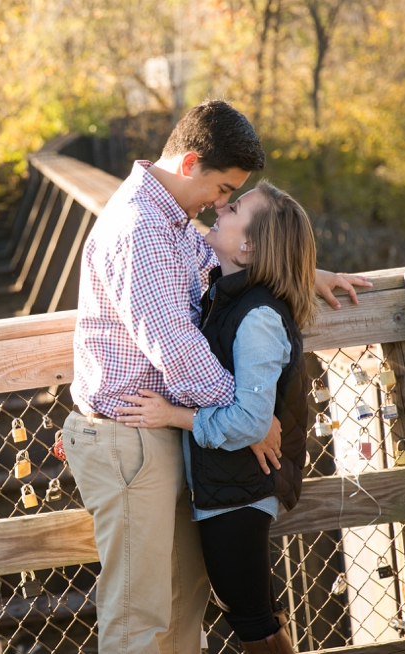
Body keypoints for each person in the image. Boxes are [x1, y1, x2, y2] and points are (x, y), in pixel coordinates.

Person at [61, 99, 369, 654]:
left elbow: (219, 262)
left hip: (163, 435)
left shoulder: (171, 219)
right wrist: (249, 419)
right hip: (127, 437)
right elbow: (175, 348)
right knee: (140, 622)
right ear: (189, 163)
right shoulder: (141, 229)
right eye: (224, 190)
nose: (219, 204)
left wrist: (299, 267)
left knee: (180, 614)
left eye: (229, 199)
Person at [115, 180, 317, 654]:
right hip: (228, 488)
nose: (222, 206)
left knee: (252, 622)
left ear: (247, 245)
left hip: (238, 495)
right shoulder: (226, 297)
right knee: (255, 613)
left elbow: (250, 421)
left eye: (236, 207)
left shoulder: (257, 316)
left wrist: (173, 414)